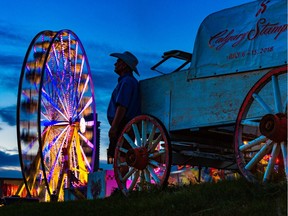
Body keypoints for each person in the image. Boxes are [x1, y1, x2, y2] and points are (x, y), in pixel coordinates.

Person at [107, 51, 141, 164]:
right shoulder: (130, 82)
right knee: (123, 154)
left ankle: (121, 178)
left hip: (123, 123)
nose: (115, 64)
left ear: (124, 65)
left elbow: (122, 106)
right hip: (128, 123)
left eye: (118, 61)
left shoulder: (126, 82)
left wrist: (115, 127)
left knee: (120, 156)